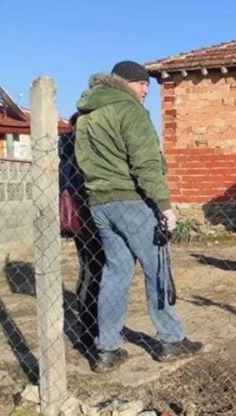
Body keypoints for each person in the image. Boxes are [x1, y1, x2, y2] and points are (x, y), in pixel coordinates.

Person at [74, 60, 202, 372]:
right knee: (158, 268)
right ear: (124, 82)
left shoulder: (86, 115)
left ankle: (107, 349)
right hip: (132, 201)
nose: (146, 89)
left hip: (99, 204)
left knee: (115, 273)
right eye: (142, 83)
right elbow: (146, 163)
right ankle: (171, 340)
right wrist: (165, 206)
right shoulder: (129, 110)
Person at [59, 112, 104, 352]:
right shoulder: (81, 150)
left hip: (79, 222)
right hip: (90, 219)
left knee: (88, 270)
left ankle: (88, 330)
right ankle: (90, 332)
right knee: (94, 272)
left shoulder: (66, 150)